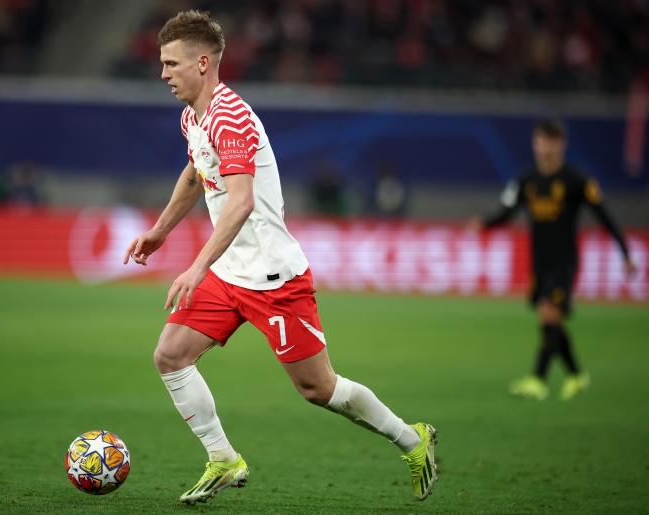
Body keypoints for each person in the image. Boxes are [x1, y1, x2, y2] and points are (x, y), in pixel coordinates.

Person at [123, 10, 437, 506]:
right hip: (229, 272)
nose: (163, 73)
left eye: (171, 63)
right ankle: (223, 458)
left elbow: (241, 202)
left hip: (273, 279)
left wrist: (196, 266)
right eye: (162, 63)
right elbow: (196, 171)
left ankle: (411, 438)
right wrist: (161, 230)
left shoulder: (231, 117)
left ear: (202, 63)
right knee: (170, 355)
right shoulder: (193, 117)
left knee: (318, 389)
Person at [469, 119, 637, 401]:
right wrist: (485, 224)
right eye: (539, 141)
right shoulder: (527, 179)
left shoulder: (576, 180)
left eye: (550, 142)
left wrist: (625, 252)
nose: (544, 148)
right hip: (539, 262)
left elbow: (604, 216)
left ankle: (538, 380)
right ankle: (576, 375)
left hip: (564, 261)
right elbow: (508, 211)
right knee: (550, 322)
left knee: (549, 312)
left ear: (561, 144)